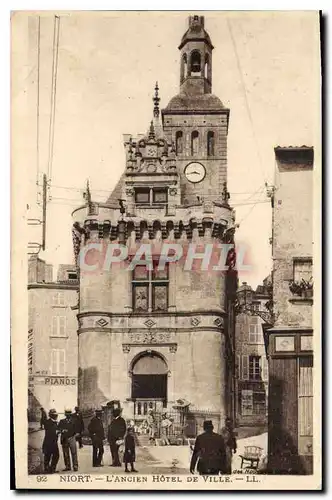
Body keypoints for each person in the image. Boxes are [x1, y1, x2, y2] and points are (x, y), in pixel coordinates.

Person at [42, 408, 60, 473]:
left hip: (54, 442)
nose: (56, 416)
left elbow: (56, 430)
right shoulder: (48, 422)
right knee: (48, 456)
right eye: (55, 415)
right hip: (48, 442)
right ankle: (47, 469)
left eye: (56, 415)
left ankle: (52, 469)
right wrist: (57, 432)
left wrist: (58, 431)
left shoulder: (55, 422)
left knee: (56, 455)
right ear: (51, 416)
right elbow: (50, 431)